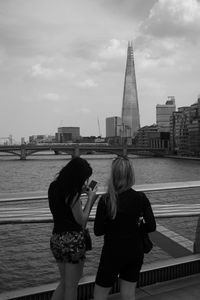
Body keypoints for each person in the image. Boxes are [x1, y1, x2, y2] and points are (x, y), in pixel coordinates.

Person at [93, 156, 156, 300]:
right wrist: (137, 228)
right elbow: (152, 226)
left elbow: (98, 231)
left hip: (112, 253)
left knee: (99, 295)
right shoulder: (141, 198)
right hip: (135, 251)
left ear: (113, 175)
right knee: (128, 294)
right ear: (130, 174)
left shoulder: (106, 200)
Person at [48, 157, 97, 300]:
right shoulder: (72, 192)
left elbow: (63, 209)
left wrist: (79, 192)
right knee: (71, 286)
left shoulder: (54, 187)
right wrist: (91, 200)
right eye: (84, 179)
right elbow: (81, 221)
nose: (85, 182)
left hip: (56, 239)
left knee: (64, 282)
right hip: (72, 243)